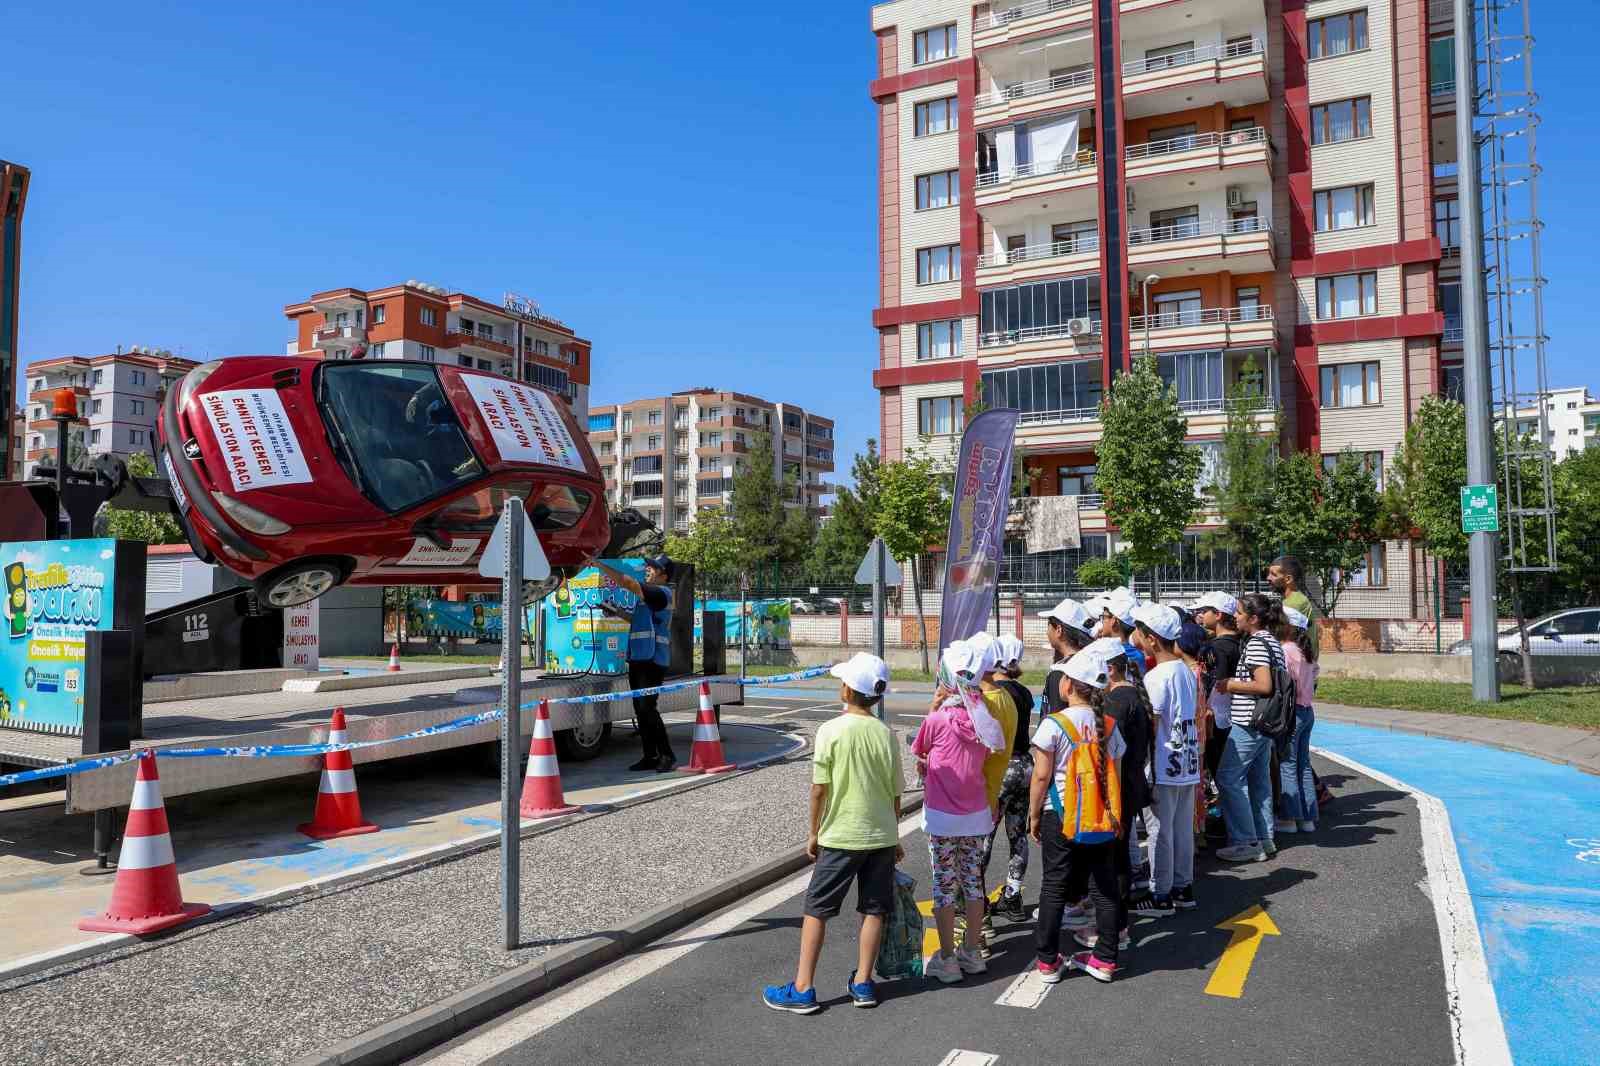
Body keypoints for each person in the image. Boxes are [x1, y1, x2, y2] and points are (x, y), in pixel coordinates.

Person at [762, 653, 902, 1014]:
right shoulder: (886, 734)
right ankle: (864, 983)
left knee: (817, 909)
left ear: (847, 689)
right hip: (881, 835)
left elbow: (818, 789)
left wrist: (813, 832)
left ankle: (803, 987)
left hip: (840, 835)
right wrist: (894, 834)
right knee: (873, 909)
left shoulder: (830, 731)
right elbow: (894, 792)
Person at [912, 640, 1008, 983]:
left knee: (943, 883)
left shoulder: (938, 720)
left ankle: (948, 958)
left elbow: (919, 749)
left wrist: (933, 706)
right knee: (972, 881)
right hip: (975, 813)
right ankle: (972, 951)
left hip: (941, 816)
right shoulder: (984, 720)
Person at [1029, 650, 1127, 984]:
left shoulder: (1054, 724)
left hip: (1060, 814)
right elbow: (1118, 774)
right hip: (1100, 815)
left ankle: (1046, 962)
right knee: (1104, 887)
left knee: (1054, 886)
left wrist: (1033, 815)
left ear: (1069, 684)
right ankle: (1105, 959)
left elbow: (1041, 777)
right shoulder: (1109, 725)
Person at [1129, 604, 1200, 916]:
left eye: (1140, 631)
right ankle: (1183, 887)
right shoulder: (1185, 670)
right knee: (1182, 828)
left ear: (1152, 638)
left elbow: (1153, 721)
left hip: (1162, 762)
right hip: (1186, 760)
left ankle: (1160, 894)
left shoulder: (1157, 677)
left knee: (1160, 830)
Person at [1078, 635, 1149, 936]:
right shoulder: (1132, 695)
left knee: (1112, 861)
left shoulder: (1118, 701)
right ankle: (1116, 921)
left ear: (1110, 668)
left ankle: (1114, 926)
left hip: (1118, 788)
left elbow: (1108, 749)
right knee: (1117, 857)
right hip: (1130, 784)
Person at [1212, 593, 1288, 863]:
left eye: (1240, 613)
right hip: (1265, 723)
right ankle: (1264, 837)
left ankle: (1245, 841)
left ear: (1253, 618)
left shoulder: (1256, 643)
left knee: (1228, 779)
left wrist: (1230, 684)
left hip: (1249, 721)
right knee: (1259, 780)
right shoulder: (1272, 642)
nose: (1235, 616)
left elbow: (1263, 685)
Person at [955, 632, 1017, 958]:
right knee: (973, 863)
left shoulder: (985, 705)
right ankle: (980, 926)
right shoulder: (1005, 698)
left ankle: (975, 936)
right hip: (989, 792)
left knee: (964, 869)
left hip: (971, 797)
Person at [594, 556, 678, 772]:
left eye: (655, 568)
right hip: (640, 658)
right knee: (640, 710)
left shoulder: (662, 593)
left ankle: (667, 755)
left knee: (647, 708)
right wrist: (616, 612)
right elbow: (637, 621)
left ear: (664, 575)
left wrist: (600, 565)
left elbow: (628, 583)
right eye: (649, 566)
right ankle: (650, 756)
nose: (649, 569)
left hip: (652, 659)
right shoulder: (649, 598)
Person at [988, 634, 1037, 923]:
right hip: (1024, 764)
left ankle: (977, 904)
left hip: (1001, 768)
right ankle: (1013, 895)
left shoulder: (992, 693)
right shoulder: (1023, 692)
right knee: (1017, 834)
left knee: (984, 836)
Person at [1276, 606, 1320, 835]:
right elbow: (1314, 677)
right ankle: (1308, 817)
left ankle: (1290, 818)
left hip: (1292, 713)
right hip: (1307, 711)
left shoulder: (1286, 650)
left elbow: (1284, 681)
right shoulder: (1306, 651)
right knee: (1303, 765)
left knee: (1288, 765)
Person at [1036, 598, 1097, 713]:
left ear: (1058, 630)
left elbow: (1056, 718)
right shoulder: (1092, 663)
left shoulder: (1061, 672)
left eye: (1049, 625)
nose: (1047, 631)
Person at [1267, 556, 1319, 662]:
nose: (1268, 578)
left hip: (1296, 668)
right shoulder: (1292, 600)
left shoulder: (1294, 603)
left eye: (1273, 574)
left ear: (1288, 579)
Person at [1086, 587, 1146, 678]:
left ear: (1113, 621)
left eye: (1104, 617)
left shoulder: (1100, 653)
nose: (1102, 622)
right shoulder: (1139, 655)